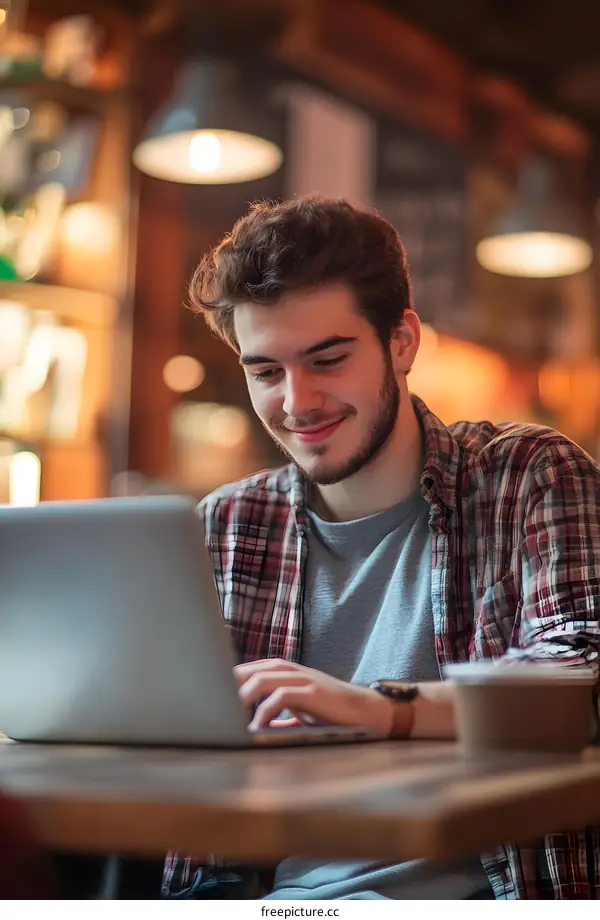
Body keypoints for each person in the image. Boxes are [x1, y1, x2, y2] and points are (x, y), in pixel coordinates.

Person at [162, 196, 600, 900]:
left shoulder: (527, 475)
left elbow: (581, 680)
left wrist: (386, 709)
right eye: (266, 372)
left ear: (402, 342)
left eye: (328, 359)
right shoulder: (228, 525)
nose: (297, 402)